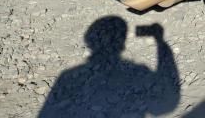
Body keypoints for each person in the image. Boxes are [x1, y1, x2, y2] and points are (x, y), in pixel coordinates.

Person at [39, 16, 180, 117]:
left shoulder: (67, 76)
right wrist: (160, 43)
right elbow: (166, 106)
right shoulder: (139, 71)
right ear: (123, 43)